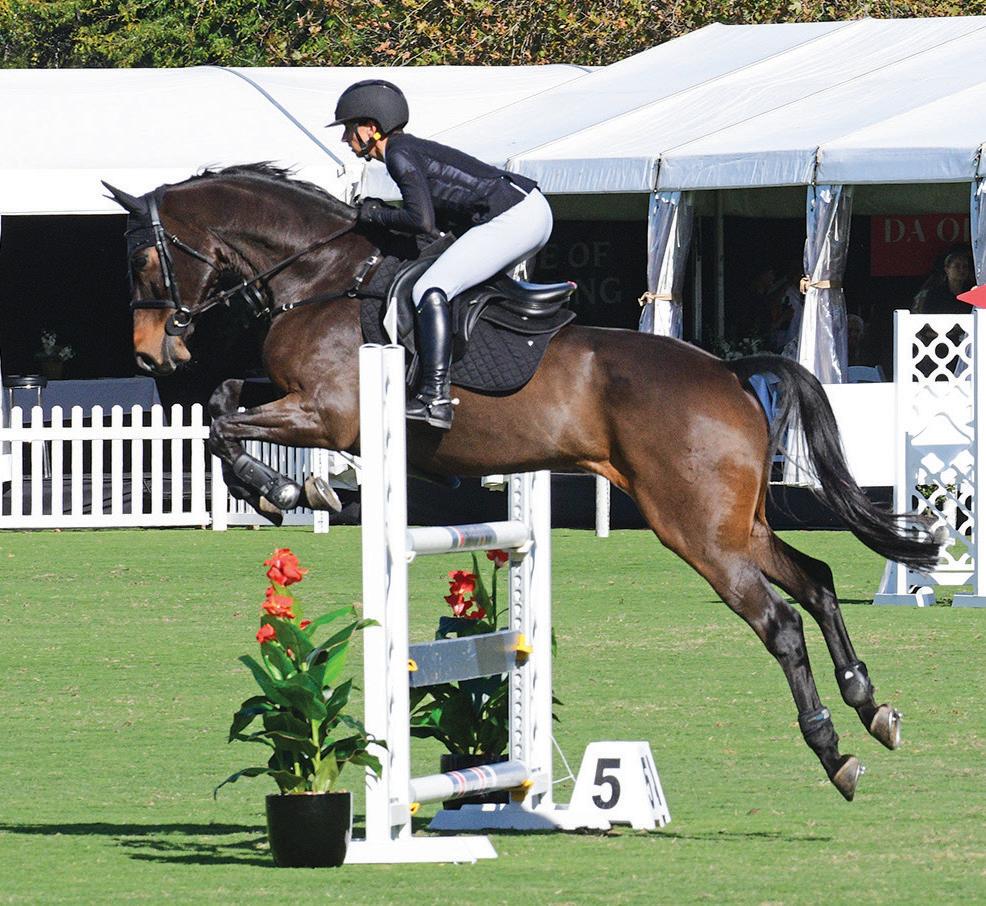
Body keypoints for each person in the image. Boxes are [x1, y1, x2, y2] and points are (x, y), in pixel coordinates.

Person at [329, 79, 554, 430]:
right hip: (525, 211)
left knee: (429, 288)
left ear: (371, 128)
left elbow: (420, 220)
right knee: (450, 279)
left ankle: (435, 397)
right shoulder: (406, 149)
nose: (345, 139)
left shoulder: (399, 154)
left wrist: (373, 214)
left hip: (515, 216)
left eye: (349, 128)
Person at [912, 247, 975, 315]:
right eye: (957, 266)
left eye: (965, 266)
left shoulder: (972, 292)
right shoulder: (934, 294)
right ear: (947, 269)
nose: (962, 270)